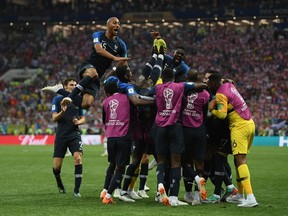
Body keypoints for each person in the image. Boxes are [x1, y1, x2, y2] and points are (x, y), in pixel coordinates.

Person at [148, 68, 207, 206]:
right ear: (174, 77)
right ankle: (174, 197)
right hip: (175, 127)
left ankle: (161, 185)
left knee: (161, 161)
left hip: (160, 127)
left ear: (162, 77)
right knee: (176, 163)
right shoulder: (180, 86)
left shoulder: (157, 88)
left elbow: (147, 95)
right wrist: (197, 85)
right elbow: (201, 86)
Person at [42, 17, 129, 110]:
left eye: (119, 23)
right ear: (107, 25)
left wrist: (115, 70)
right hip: (87, 66)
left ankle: (59, 90)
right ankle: (70, 97)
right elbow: (99, 50)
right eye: (114, 23)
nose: (117, 25)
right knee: (93, 73)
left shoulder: (121, 44)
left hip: (97, 76)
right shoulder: (98, 34)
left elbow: (124, 62)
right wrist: (114, 57)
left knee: (85, 104)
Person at [207, 72, 258, 207]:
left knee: (241, 161)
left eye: (208, 84)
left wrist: (211, 109)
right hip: (250, 124)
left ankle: (251, 197)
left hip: (239, 127)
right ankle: (240, 195)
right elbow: (227, 80)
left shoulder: (220, 94)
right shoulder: (228, 85)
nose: (208, 86)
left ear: (213, 84)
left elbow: (222, 115)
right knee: (237, 161)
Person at [51, 77, 86, 197]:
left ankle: (76, 190)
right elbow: (54, 118)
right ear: (65, 87)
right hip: (61, 135)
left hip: (74, 134)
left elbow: (83, 118)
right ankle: (59, 181)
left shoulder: (78, 100)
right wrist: (62, 112)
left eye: (75, 85)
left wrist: (78, 122)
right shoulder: (57, 99)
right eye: (71, 85)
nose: (74, 87)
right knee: (56, 167)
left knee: (78, 158)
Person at [100, 81, 132, 204]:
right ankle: (108, 196)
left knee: (112, 164)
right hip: (123, 136)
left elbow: (104, 120)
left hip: (111, 137)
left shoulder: (105, 101)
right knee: (120, 168)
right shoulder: (127, 98)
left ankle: (104, 190)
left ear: (107, 92)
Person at [181, 69, 210, 204]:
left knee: (187, 163)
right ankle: (198, 196)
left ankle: (188, 194)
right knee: (200, 163)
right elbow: (205, 114)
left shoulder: (183, 90)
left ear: (187, 77)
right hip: (199, 131)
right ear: (198, 78)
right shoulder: (205, 94)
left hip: (185, 130)